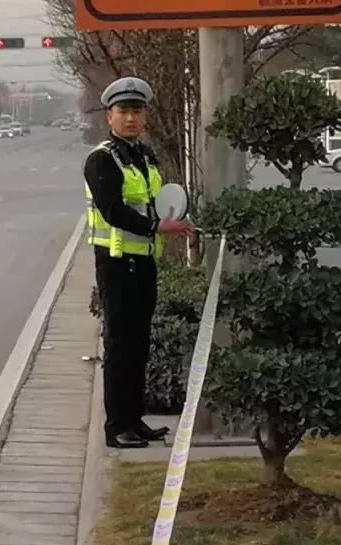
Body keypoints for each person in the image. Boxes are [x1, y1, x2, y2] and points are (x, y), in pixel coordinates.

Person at [83, 76, 196, 449]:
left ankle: (135, 419)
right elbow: (113, 210)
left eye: (136, 111)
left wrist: (177, 220)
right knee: (119, 348)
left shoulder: (144, 158)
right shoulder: (102, 159)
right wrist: (155, 226)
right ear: (110, 118)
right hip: (116, 265)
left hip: (144, 263)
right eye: (123, 112)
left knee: (139, 345)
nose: (130, 118)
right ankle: (116, 427)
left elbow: (155, 202)